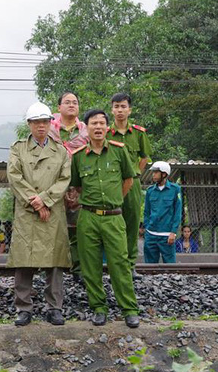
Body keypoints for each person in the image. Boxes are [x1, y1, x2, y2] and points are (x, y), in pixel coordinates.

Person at [70, 109, 140, 328]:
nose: (98, 127)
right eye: (93, 123)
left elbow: (129, 179)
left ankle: (129, 309)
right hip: (88, 217)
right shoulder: (79, 156)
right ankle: (99, 308)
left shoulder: (119, 152)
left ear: (107, 128)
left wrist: (115, 199)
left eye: (101, 123)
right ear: (87, 127)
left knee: (119, 263)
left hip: (113, 218)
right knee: (90, 265)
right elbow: (77, 185)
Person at [7, 102, 72, 326]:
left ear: (50, 123)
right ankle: (23, 308)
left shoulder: (60, 150)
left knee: (54, 262)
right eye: (36, 122)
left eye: (44, 121)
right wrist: (35, 202)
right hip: (28, 213)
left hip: (52, 212)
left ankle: (55, 307)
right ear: (29, 124)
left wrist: (44, 199)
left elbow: (64, 179)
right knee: (24, 261)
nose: (41, 126)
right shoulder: (18, 148)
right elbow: (14, 177)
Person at [108, 93, 153, 279]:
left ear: (129, 110)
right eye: (116, 106)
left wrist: (134, 174)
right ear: (112, 109)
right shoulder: (105, 133)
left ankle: (130, 265)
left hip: (132, 183)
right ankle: (114, 265)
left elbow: (145, 157)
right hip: (111, 183)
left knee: (132, 223)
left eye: (123, 106)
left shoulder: (139, 133)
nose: (120, 110)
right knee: (111, 224)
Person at [49, 91, 88, 283]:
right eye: (67, 102)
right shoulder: (49, 129)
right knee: (52, 230)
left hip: (77, 188)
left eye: (75, 102)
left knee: (78, 230)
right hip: (54, 187)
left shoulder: (85, 131)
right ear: (59, 107)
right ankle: (50, 269)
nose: (71, 105)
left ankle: (79, 269)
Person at [142, 161, 182, 264]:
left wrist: (173, 232)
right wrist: (147, 229)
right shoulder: (150, 191)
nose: (153, 175)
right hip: (151, 234)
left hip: (167, 235)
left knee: (170, 267)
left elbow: (177, 213)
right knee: (149, 267)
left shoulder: (175, 189)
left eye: (156, 172)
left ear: (164, 174)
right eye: (153, 172)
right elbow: (146, 212)